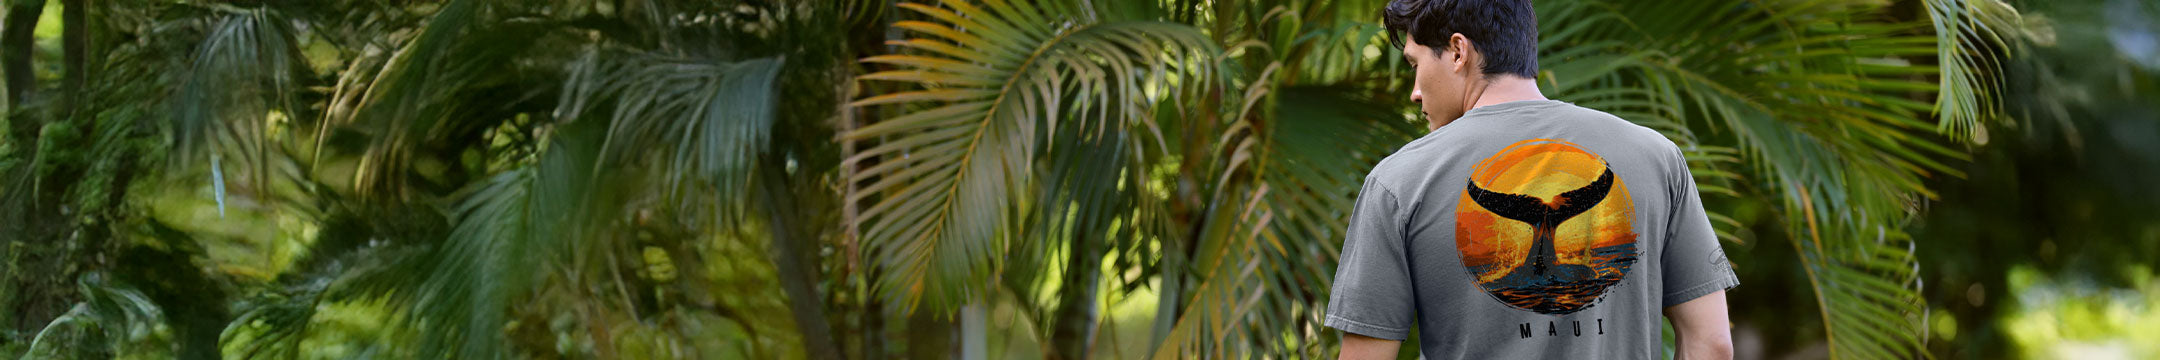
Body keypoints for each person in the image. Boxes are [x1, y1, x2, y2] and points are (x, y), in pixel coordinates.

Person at [1326, 0, 1738, 359]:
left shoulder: (1399, 181)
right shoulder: (1657, 157)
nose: (1415, 92)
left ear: (1457, 51)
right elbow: (1712, 343)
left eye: (1416, 65)